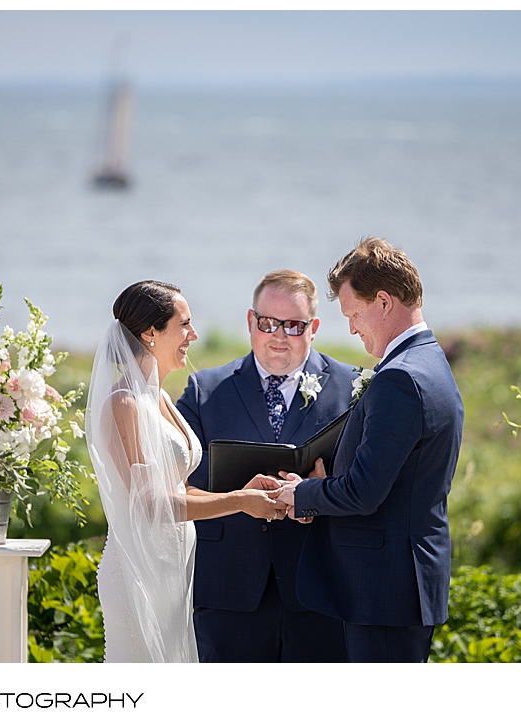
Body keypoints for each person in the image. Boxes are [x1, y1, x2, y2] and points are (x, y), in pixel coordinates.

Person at [272, 238, 464, 663]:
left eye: (353, 314)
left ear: (382, 301)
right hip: (402, 582)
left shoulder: (399, 379)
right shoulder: (431, 362)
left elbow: (364, 492)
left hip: (385, 590)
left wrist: (300, 494)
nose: (353, 328)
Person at [85, 280, 286, 663]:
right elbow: (150, 505)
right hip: (137, 573)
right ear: (150, 333)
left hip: (173, 572)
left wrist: (245, 492)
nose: (193, 335)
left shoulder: (158, 397)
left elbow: (178, 490)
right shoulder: (124, 404)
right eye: (184, 325)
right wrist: (240, 501)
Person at [176, 270, 357, 663]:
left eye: (293, 325)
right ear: (250, 322)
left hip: (321, 586)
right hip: (229, 586)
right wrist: (240, 498)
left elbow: (369, 481)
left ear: (314, 328)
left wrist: (325, 491)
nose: (278, 335)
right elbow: (174, 487)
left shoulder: (354, 387)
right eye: (267, 323)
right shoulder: (204, 391)